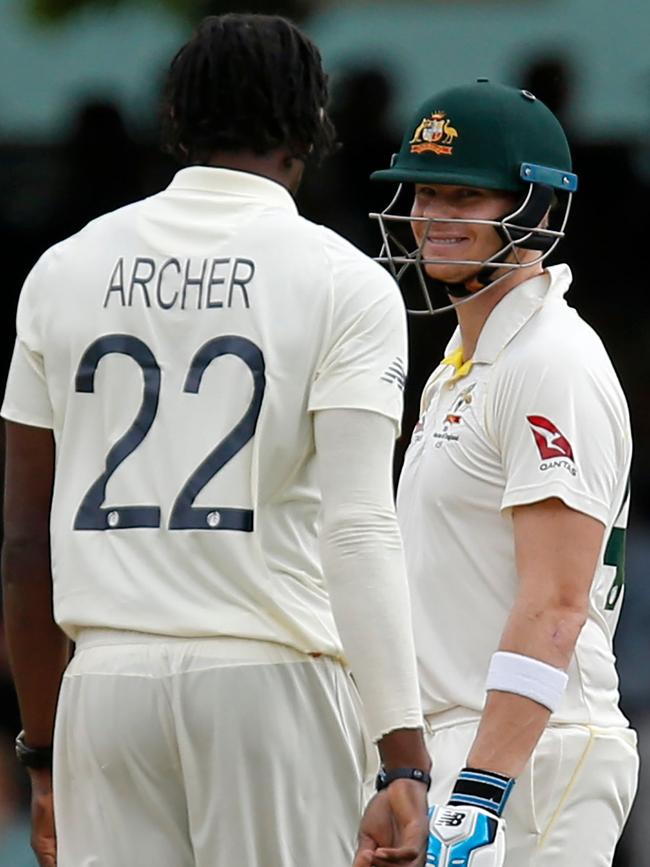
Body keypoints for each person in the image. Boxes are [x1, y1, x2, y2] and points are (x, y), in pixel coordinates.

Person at [1, 15, 432, 867]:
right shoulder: (344, 280)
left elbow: (23, 540)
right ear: (312, 124)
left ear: (176, 122)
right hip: (268, 676)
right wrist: (403, 752)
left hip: (105, 685)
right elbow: (357, 529)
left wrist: (46, 754)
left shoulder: (63, 269)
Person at [370, 80, 639, 865]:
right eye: (424, 192)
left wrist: (481, 793)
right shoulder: (459, 368)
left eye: (466, 196)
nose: (432, 217)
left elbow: (557, 604)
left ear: (535, 211)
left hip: (536, 749)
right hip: (456, 741)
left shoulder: (552, 360)